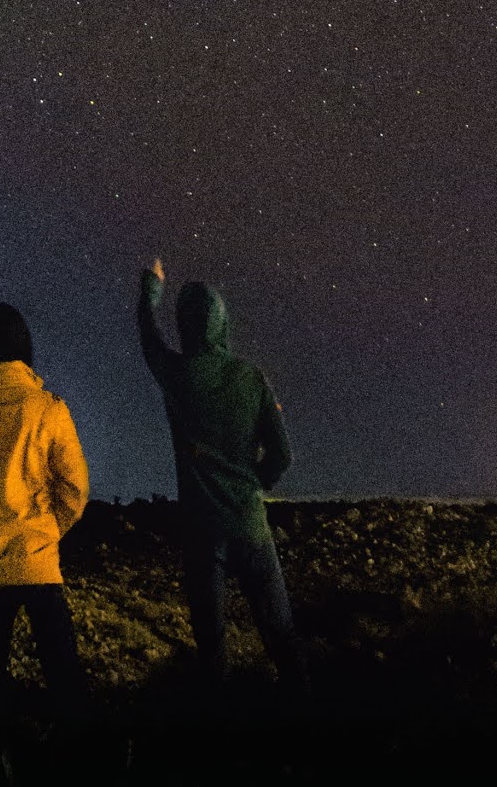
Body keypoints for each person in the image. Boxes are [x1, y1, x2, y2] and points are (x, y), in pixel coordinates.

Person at [136, 259, 304, 690]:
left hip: (201, 532)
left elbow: (149, 339)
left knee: (212, 651)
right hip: (249, 525)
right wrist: (254, 482)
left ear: (186, 325)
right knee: (282, 639)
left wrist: (151, 289)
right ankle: (308, 732)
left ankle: (221, 740)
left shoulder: (176, 375)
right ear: (222, 322)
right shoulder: (252, 378)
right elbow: (282, 453)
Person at [0, 302, 92, 756]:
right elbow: (75, 486)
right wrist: (50, 531)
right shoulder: (49, 409)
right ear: (28, 353)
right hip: (40, 563)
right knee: (64, 672)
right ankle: (84, 758)